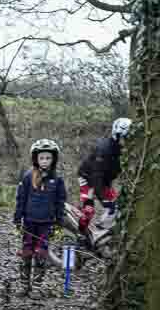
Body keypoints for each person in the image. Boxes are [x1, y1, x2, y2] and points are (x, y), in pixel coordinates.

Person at [14, 139, 67, 291]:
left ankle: (37, 285)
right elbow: (21, 198)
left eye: (48, 158)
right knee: (27, 251)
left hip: (46, 222)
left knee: (41, 252)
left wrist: (59, 222)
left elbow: (60, 202)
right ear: (36, 159)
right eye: (42, 158)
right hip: (29, 221)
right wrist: (17, 220)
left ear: (53, 159)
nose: (45, 161)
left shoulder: (57, 179)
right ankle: (24, 284)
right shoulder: (28, 176)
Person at [77, 118, 132, 232]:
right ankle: (81, 233)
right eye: (124, 138)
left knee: (115, 207)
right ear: (117, 135)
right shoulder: (104, 149)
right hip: (88, 177)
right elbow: (96, 177)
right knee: (89, 209)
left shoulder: (120, 149)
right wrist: (103, 199)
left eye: (128, 138)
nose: (126, 141)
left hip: (104, 180)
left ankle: (101, 229)